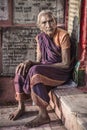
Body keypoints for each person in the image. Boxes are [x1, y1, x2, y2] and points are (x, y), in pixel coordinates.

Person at [9, 10, 74, 127]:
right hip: (45, 69)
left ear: (55, 22)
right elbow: (39, 61)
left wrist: (38, 66)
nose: (48, 25)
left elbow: (66, 64)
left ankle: (43, 114)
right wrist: (29, 62)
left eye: (51, 21)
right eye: (44, 23)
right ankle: (21, 107)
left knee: (35, 72)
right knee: (21, 69)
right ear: (40, 26)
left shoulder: (63, 35)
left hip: (60, 72)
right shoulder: (40, 38)